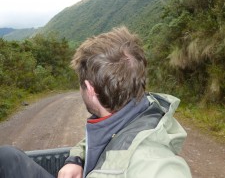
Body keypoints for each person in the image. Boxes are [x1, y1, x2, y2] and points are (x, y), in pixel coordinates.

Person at [0, 26, 192, 178]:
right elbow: (101, 140)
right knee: (6, 158)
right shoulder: (133, 112)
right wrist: (76, 159)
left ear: (90, 89)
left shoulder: (152, 164)